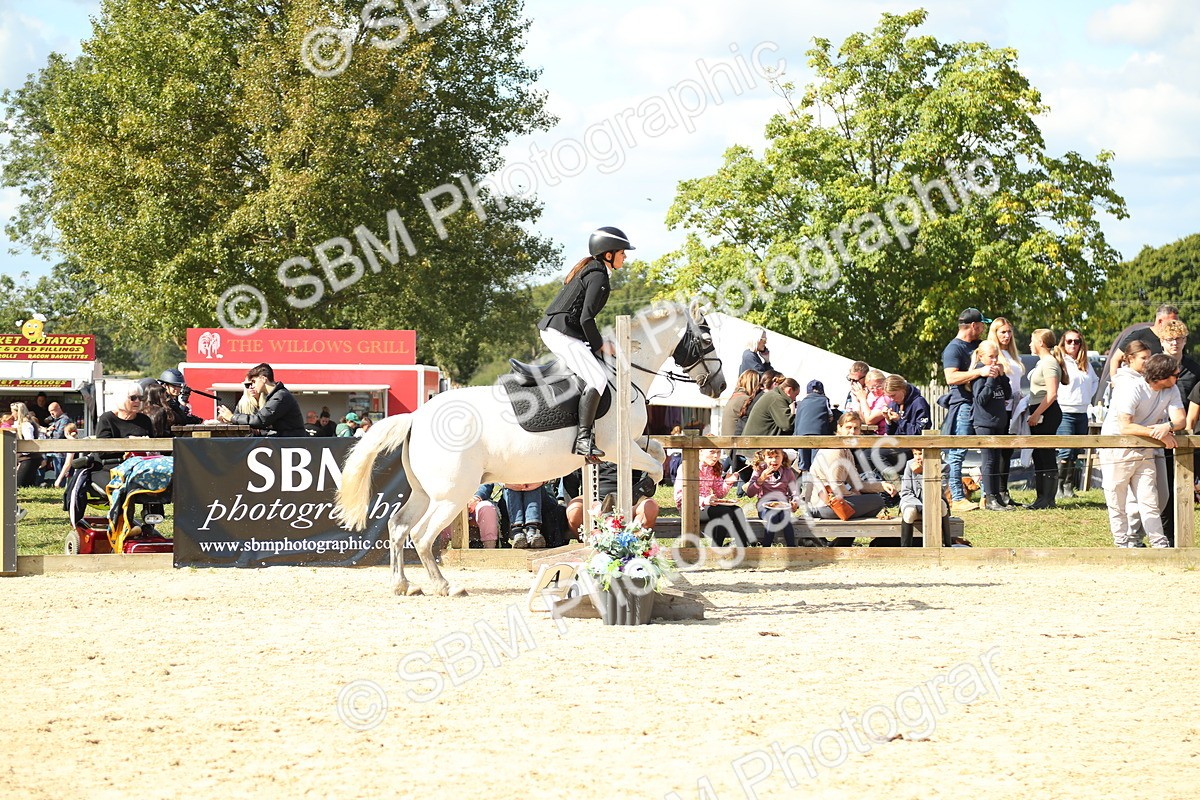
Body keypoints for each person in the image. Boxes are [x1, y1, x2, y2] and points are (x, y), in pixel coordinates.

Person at [537, 226, 634, 459]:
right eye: (622, 252)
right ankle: (582, 439)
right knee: (598, 379)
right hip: (560, 333)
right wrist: (600, 344)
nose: (626, 257)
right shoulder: (598, 275)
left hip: (561, 330)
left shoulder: (593, 270)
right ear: (608, 254)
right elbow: (586, 318)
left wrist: (596, 341)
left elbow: (583, 319)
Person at [1099, 354, 1185, 547]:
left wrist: (1167, 426)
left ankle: (1159, 543)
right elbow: (1125, 427)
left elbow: (1181, 420)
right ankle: (1121, 544)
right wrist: (1159, 433)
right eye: (1175, 375)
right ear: (1161, 376)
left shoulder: (1171, 389)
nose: (1178, 378)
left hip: (1145, 446)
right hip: (1117, 448)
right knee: (1116, 498)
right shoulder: (1133, 388)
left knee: (1150, 499)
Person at [943, 308, 995, 515]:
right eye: (982, 325)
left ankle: (988, 495)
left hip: (980, 404)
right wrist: (979, 372)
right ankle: (957, 498)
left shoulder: (977, 346)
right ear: (974, 325)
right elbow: (951, 378)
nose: (983, 329)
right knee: (957, 452)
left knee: (988, 450)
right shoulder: (953, 349)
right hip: (963, 405)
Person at [809, 411, 898, 527]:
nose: (852, 432)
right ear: (839, 427)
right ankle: (844, 540)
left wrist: (882, 486)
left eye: (856, 428)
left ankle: (843, 541)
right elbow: (835, 486)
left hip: (832, 501)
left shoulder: (846, 450)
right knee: (877, 501)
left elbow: (857, 483)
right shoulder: (836, 450)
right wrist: (854, 494)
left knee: (872, 501)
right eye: (848, 427)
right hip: (824, 504)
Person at [674, 448, 754, 547]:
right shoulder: (687, 467)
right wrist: (704, 500)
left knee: (737, 510)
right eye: (712, 452)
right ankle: (716, 549)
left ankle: (742, 547)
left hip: (708, 506)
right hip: (689, 508)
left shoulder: (713, 468)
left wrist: (728, 482)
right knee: (724, 512)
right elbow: (680, 496)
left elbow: (720, 493)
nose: (716, 456)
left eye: (718, 452)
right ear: (700, 452)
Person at [970, 340, 1015, 512]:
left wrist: (1002, 377)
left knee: (997, 460)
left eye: (997, 356)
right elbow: (981, 400)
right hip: (984, 422)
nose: (995, 360)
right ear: (981, 357)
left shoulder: (997, 373)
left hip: (999, 422)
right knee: (988, 460)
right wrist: (989, 380)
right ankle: (989, 497)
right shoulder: (980, 374)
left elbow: (1007, 395)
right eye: (991, 357)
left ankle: (996, 496)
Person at [1026, 329, 1067, 510]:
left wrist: (1036, 414)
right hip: (1040, 409)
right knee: (1039, 454)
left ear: (1040, 342)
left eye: (1032, 341)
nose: (1029, 345)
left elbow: (1052, 394)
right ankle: (1041, 497)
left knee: (1046, 454)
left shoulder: (1049, 363)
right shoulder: (1043, 362)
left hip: (1046, 412)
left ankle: (1048, 498)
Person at [1055, 329, 1099, 498]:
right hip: (1064, 411)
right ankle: (1058, 487)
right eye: (1069, 341)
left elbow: (1094, 381)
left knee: (1075, 452)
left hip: (1082, 412)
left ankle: (1068, 486)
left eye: (1077, 341)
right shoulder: (1059, 361)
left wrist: (1087, 396)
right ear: (1063, 343)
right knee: (1065, 451)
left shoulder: (1085, 364)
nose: (1073, 344)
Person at [988, 317, 1025, 506]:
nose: (1007, 335)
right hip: (1000, 407)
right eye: (1003, 332)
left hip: (1014, 406)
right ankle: (996, 492)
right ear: (995, 333)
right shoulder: (994, 356)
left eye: (1009, 332)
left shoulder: (1011, 355)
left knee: (1007, 451)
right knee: (998, 452)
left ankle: (1004, 490)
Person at [565, 462, 659, 536]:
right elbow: (570, 483)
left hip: (629, 502)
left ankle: (630, 548)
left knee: (650, 507)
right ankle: (593, 547)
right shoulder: (589, 447)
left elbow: (649, 490)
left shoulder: (636, 447)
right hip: (594, 499)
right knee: (574, 510)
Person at [216, 363, 307, 437]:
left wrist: (232, 417)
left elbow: (260, 420)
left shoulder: (280, 396)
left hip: (290, 444)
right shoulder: (277, 395)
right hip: (287, 442)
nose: (252, 386)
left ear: (263, 379)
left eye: (254, 382)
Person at [743, 447, 802, 547]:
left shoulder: (787, 472)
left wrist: (795, 502)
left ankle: (791, 548)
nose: (774, 460)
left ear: (782, 457)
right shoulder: (759, 471)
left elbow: (795, 493)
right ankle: (766, 548)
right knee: (772, 516)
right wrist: (761, 479)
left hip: (783, 505)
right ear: (764, 458)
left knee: (786, 518)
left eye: (777, 456)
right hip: (764, 506)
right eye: (770, 457)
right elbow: (750, 493)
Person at [897, 449, 952, 547]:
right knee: (909, 512)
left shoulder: (944, 466)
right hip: (912, 501)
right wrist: (920, 506)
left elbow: (937, 491)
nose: (917, 457)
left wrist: (923, 473)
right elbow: (906, 492)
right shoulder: (910, 464)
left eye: (921, 454)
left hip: (933, 501)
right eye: (915, 454)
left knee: (942, 505)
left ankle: (947, 544)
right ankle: (905, 549)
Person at [1108, 304, 1180, 378]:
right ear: (1160, 321)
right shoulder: (1138, 336)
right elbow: (1115, 359)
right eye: (1172, 322)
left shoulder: (1177, 340)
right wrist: (1115, 383)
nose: (1176, 326)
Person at [794, 380, 835, 476]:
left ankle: (805, 483)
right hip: (818, 433)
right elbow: (830, 416)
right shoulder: (824, 400)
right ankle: (815, 484)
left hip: (801, 434)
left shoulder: (802, 402)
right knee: (816, 461)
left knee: (804, 462)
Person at [503, 481, 551, 549]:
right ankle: (517, 533)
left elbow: (556, 474)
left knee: (533, 483)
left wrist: (541, 482)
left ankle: (532, 531)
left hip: (541, 495)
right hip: (510, 495)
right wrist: (506, 484)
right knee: (511, 485)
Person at [12, 401, 42, 488]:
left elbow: (29, 441)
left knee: (19, 484)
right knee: (27, 484)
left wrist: (23, 453)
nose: (12, 414)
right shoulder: (24, 423)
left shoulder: (26, 425)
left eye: (13, 412)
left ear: (18, 412)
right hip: (28, 458)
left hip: (29, 458)